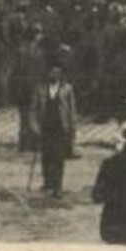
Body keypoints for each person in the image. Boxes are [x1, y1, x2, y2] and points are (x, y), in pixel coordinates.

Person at [31, 63, 76, 199]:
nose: (54, 75)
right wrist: (35, 127)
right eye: (51, 72)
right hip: (45, 127)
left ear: (61, 75)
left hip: (60, 127)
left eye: (57, 73)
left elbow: (72, 110)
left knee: (58, 157)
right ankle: (48, 182)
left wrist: (72, 128)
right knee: (46, 156)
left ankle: (58, 187)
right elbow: (33, 109)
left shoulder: (67, 89)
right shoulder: (40, 89)